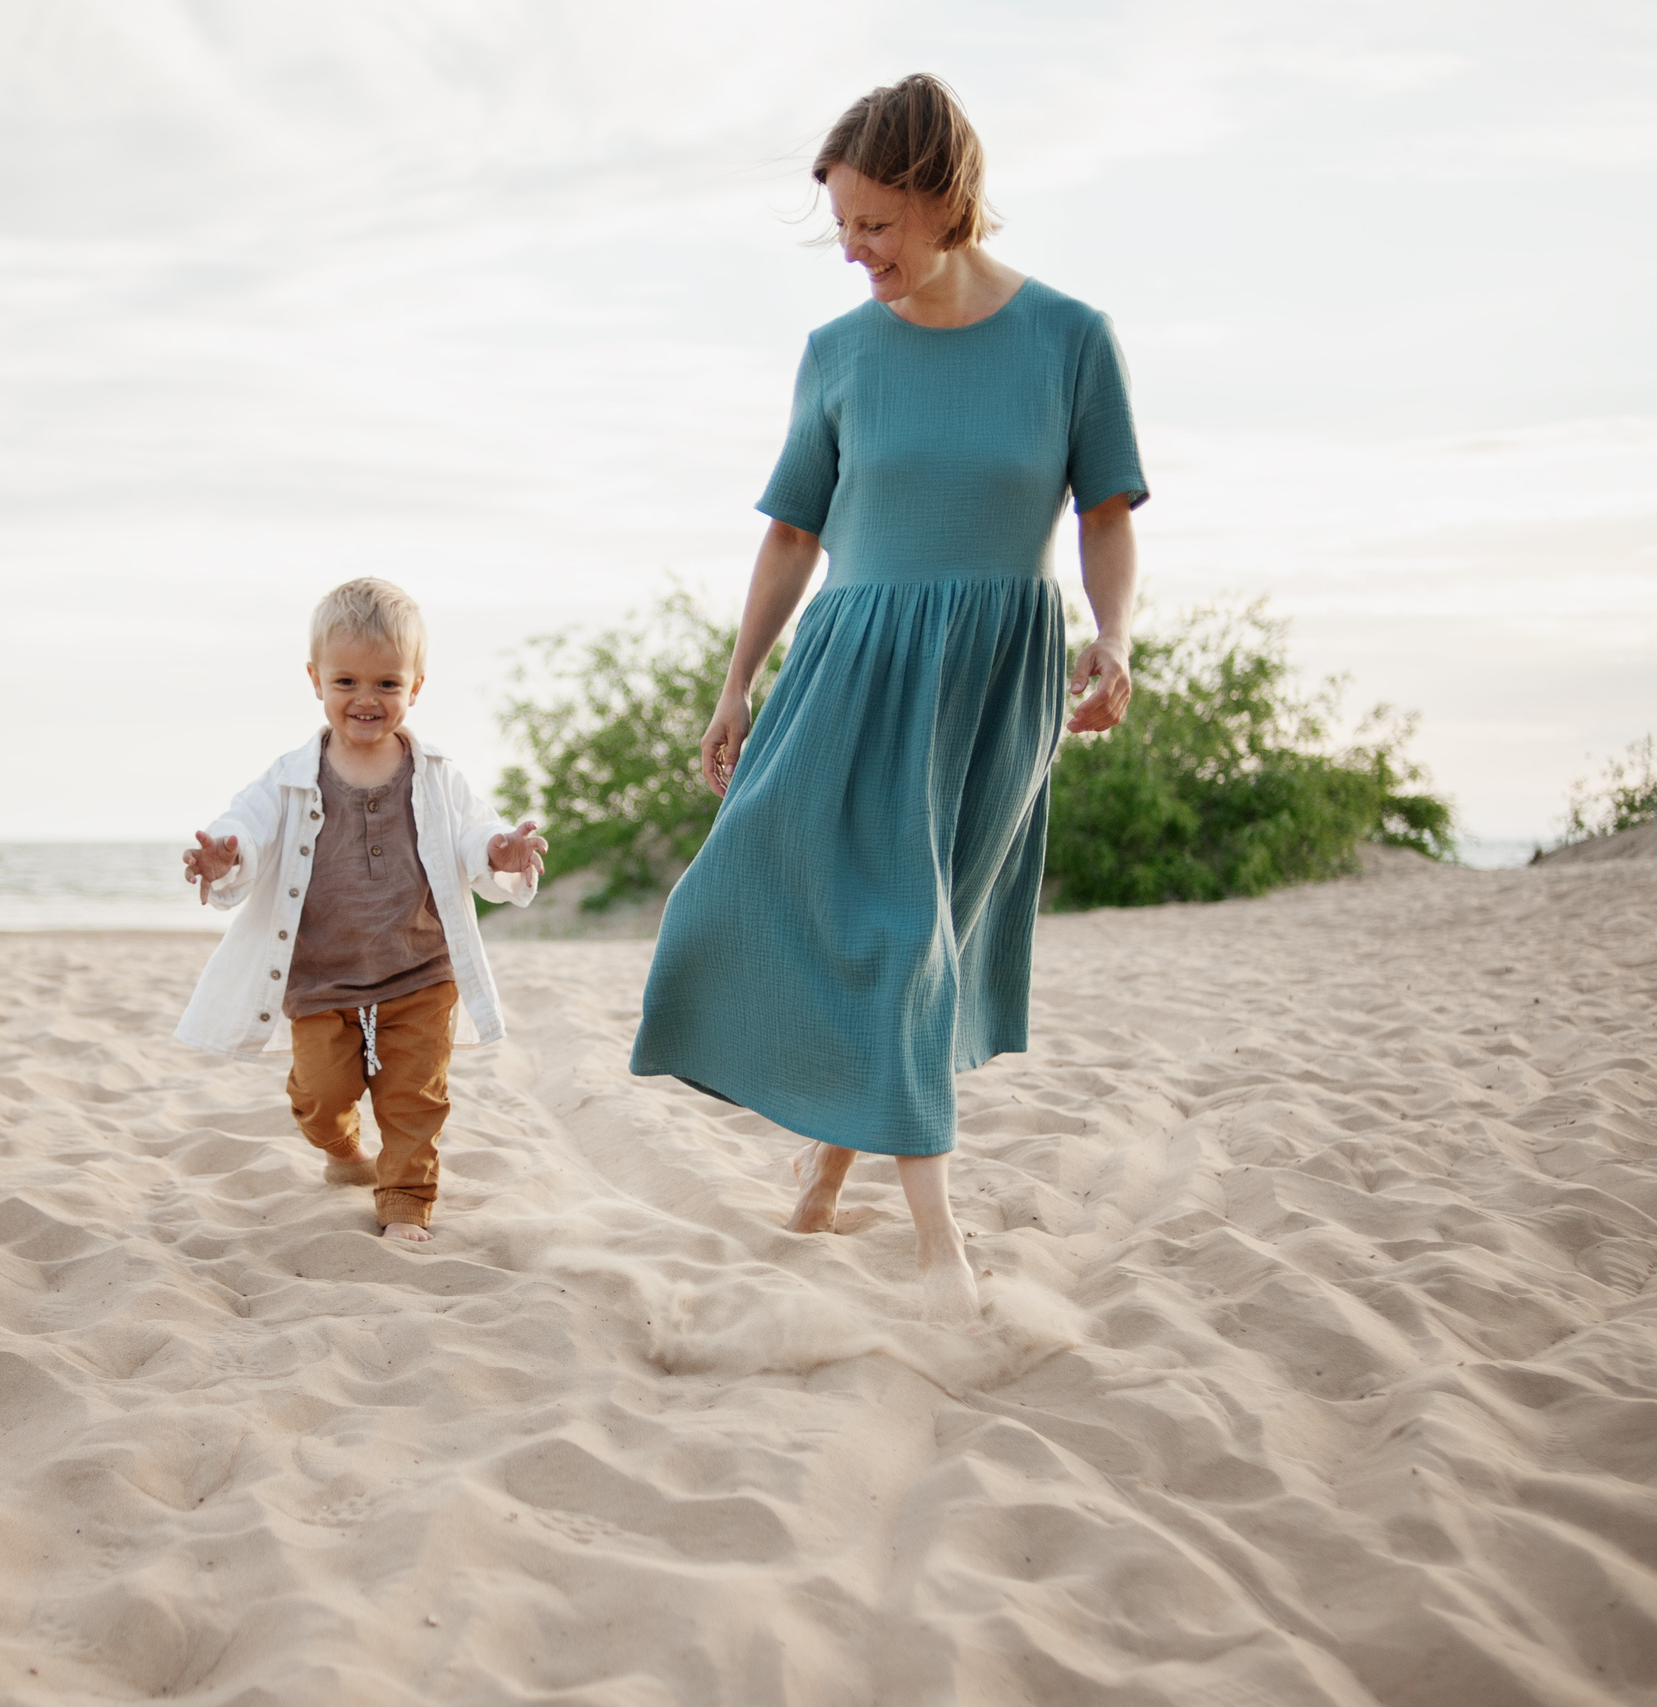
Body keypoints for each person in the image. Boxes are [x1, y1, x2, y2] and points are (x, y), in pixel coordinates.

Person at [628, 74, 1145, 1323]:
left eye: (874, 223)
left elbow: (1105, 514)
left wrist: (1114, 639)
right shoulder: (836, 354)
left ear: (943, 196)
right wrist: (736, 683)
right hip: (852, 671)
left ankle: (825, 1184)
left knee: (921, 939)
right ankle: (936, 1248)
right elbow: (792, 537)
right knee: (800, 907)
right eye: (843, 225)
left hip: (996, 680)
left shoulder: (1071, 339)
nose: (854, 251)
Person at [175, 578, 547, 1243]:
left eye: (386, 684)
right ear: (316, 679)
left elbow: (470, 834)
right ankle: (344, 1150)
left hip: (420, 970)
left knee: (414, 1099)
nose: (365, 700)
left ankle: (405, 1203)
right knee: (321, 1093)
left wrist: (500, 850)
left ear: (417, 685)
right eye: (346, 681)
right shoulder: (291, 777)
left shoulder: (435, 773)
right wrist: (226, 856)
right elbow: (248, 827)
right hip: (322, 976)